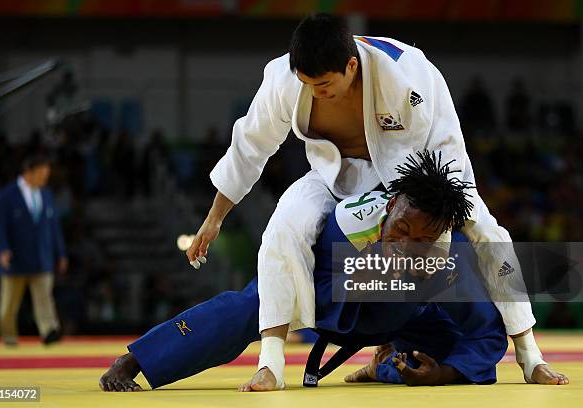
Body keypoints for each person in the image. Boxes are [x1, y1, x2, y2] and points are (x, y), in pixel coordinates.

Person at [185, 13, 561, 390]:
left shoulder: (408, 75)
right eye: (308, 84)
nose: (316, 92)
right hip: (332, 176)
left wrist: (438, 241)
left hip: (414, 178)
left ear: (351, 66)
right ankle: (270, 363)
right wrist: (215, 217)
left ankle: (530, 356)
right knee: (282, 227)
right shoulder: (285, 78)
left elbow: (446, 155)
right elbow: (250, 145)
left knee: (489, 233)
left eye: (325, 84)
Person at [101, 151, 568, 391]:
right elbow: (270, 296)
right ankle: (139, 357)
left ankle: (385, 363)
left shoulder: (447, 255)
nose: (403, 243)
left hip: (400, 316)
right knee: (256, 305)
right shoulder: (347, 222)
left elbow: (485, 334)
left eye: (420, 239)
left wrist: (446, 374)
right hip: (335, 291)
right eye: (399, 228)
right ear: (386, 210)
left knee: (458, 334)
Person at [0, 153, 67, 345]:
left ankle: (49, 331)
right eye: (42, 174)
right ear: (29, 172)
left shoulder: (46, 194)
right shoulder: (6, 197)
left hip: (42, 256)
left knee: (45, 299)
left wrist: (61, 253)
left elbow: (54, 227)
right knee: (9, 302)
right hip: (15, 257)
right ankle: (8, 335)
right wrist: (2, 249)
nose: (45, 178)